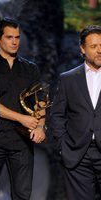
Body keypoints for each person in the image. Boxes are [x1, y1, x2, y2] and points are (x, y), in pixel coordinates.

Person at [0, 17, 46, 200]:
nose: (14, 41)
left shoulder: (30, 69)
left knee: (23, 195)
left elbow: (40, 101)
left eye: (17, 37)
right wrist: (21, 118)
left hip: (22, 142)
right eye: (9, 37)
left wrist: (40, 126)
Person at [50, 25, 101, 200]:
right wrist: (63, 147)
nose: (99, 50)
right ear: (82, 48)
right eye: (94, 46)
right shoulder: (68, 78)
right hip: (78, 154)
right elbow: (57, 115)